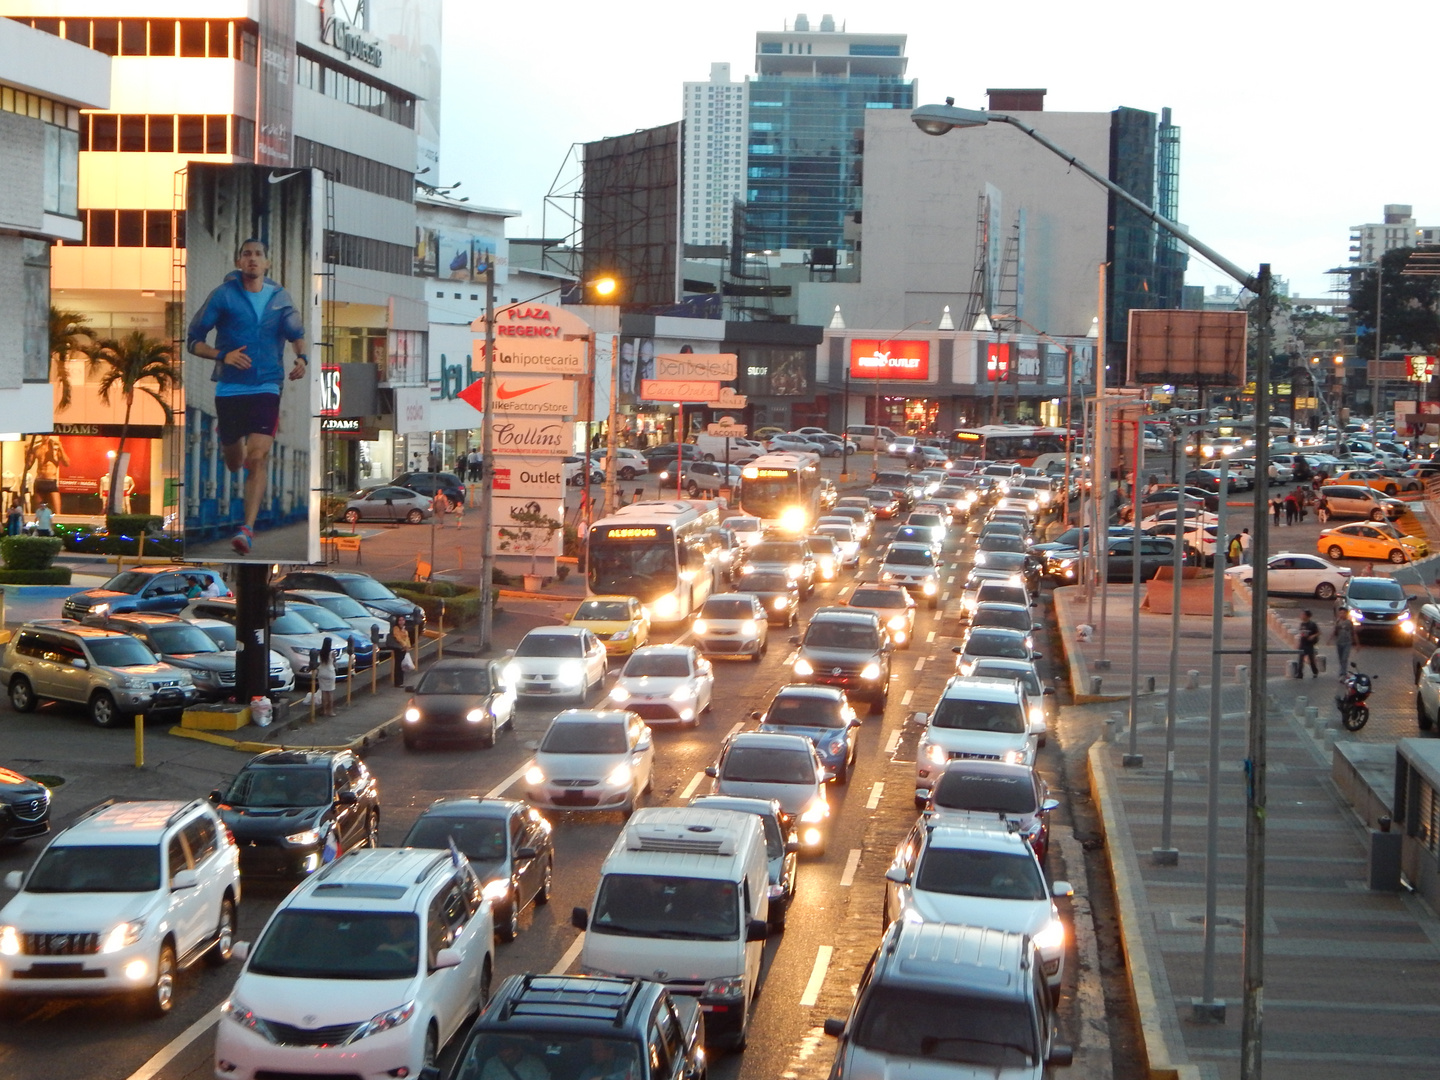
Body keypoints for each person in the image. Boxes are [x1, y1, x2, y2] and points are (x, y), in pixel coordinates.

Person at [186, 238, 309, 555]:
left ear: (267, 263)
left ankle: (247, 529)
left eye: (258, 255)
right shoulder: (223, 296)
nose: (253, 259)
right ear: (239, 262)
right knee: (234, 462)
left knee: (257, 458)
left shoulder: (280, 299)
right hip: (229, 389)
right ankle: (227, 438)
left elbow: (297, 334)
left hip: (267, 386)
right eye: (247, 254)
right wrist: (221, 355)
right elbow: (194, 341)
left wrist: (301, 359)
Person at [476, 1039, 548, 1080]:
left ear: (519, 1050)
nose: (505, 1056)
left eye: (509, 1055)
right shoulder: (491, 1064)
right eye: (501, 1049)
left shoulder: (535, 1065)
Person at [387, 616, 412, 688]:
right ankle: (398, 682)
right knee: (398, 665)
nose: (401, 622)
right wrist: (404, 645)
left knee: (402, 666)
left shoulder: (404, 629)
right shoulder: (396, 629)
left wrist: (408, 646)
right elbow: (398, 637)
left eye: (403, 620)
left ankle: (401, 681)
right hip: (399, 649)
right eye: (400, 620)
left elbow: (407, 638)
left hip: (404, 649)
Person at [316, 637, 337, 717]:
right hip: (330, 672)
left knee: (324, 692)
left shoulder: (321, 652)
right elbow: (334, 661)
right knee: (330, 693)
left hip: (321, 672)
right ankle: (330, 711)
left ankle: (324, 710)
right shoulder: (332, 653)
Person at [1297, 609, 1320, 678]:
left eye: (1303, 615)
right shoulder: (1302, 624)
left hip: (1309, 644)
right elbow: (1301, 634)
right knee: (1300, 660)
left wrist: (1312, 636)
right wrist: (1298, 643)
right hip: (1303, 643)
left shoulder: (1312, 624)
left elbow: (1318, 632)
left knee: (1311, 660)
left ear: (1307, 616)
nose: (1301, 616)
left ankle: (1315, 671)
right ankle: (1299, 674)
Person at [1332, 608, 1356, 676]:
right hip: (1339, 642)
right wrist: (1330, 639)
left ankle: (1343, 672)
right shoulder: (1337, 622)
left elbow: (1353, 633)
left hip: (1347, 642)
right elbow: (1335, 632)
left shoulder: (1349, 622)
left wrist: (1357, 643)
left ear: (1346, 614)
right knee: (1340, 658)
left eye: (1343, 613)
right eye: (1340, 613)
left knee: (1344, 658)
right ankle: (1342, 670)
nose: (1341, 615)